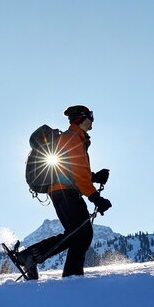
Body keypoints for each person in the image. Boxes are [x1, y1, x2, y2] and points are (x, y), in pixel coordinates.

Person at [15, 105, 112, 279]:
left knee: (77, 234)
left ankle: (36, 258)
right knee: (81, 234)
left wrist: (95, 177)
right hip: (66, 192)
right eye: (90, 115)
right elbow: (78, 173)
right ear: (80, 119)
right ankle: (68, 276)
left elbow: (72, 170)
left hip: (61, 191)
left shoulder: (74, 138)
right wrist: (96, 198)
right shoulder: (73, 137)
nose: (92, 119)